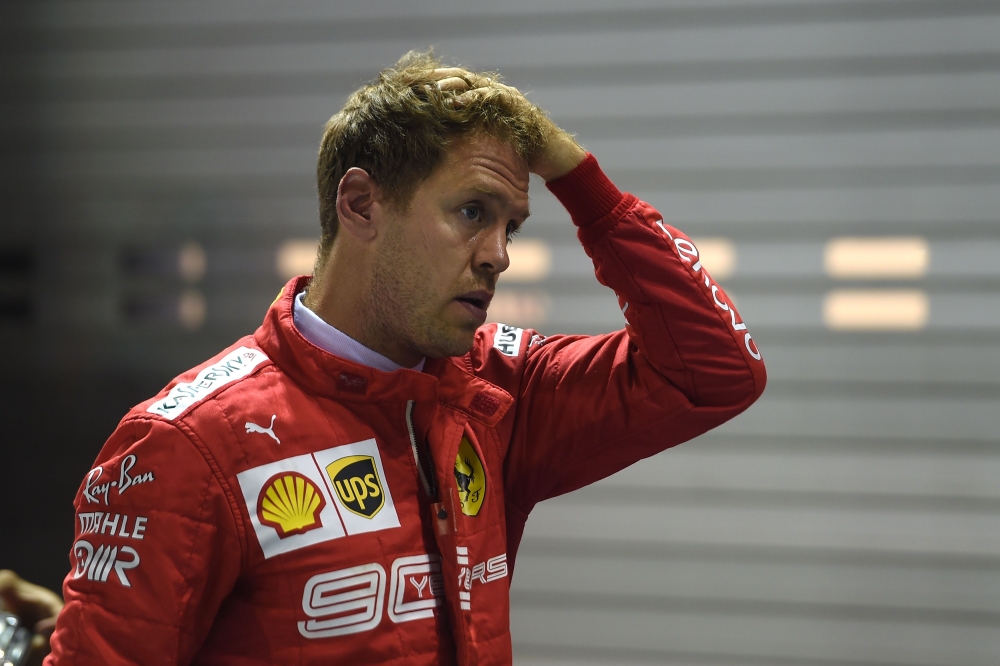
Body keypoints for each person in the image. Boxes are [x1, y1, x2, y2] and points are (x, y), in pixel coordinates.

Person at [44, 52, 766, 665]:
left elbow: (716, 369)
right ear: (361, 204)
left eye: (510, 226)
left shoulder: (495, 391)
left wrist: (579, 178)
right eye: (472, 212)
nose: (499, 255)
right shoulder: (188, 445)